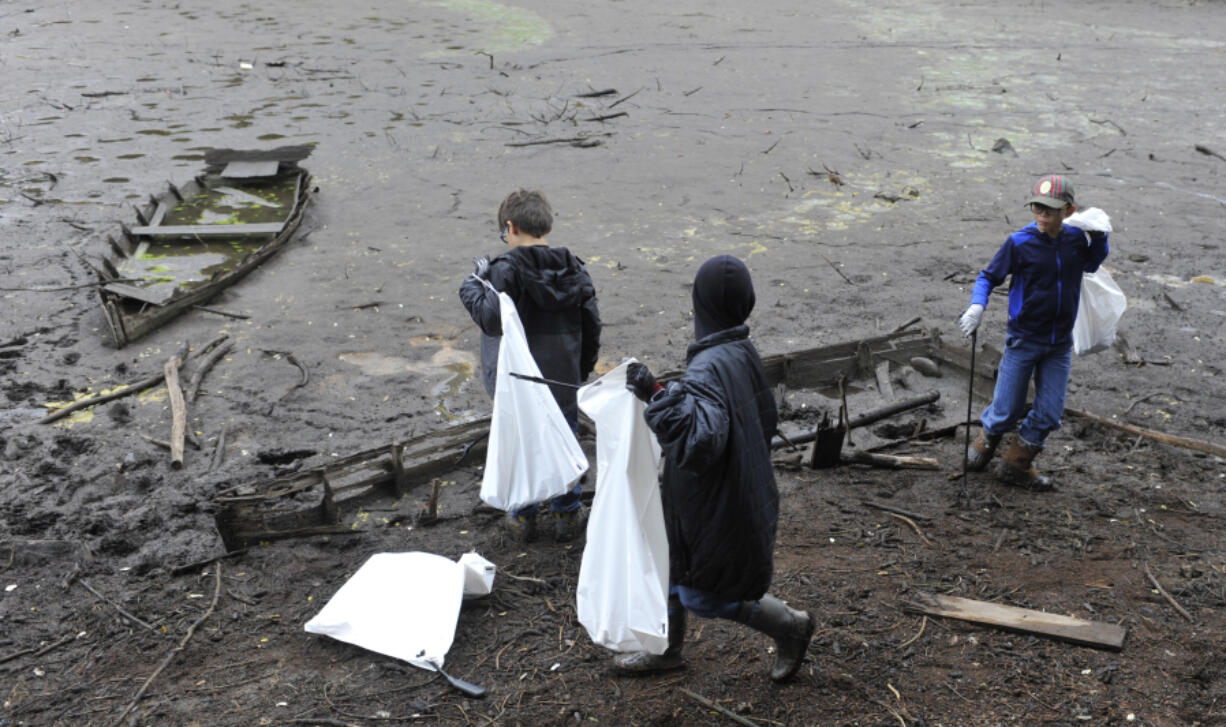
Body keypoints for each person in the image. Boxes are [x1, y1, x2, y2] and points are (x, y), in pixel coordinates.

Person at [615, 254, 815, 683]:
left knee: (703, 596)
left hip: (720, 503)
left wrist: (658, 396)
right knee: (670, 561)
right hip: (727, 492)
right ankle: (667, 649)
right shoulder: (739, 349)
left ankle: (791, 626)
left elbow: (700, 441)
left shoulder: (709, 363)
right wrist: (664, 392)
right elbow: (721, 416)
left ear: (701, 304)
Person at [458, 189, 601, 542]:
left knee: (521, 441)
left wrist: (473, 284)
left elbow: (492, 321)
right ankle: (567, 513)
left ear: (510, 227)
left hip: (518, 382)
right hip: (562, 377)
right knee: (564, 438)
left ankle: (522, 518)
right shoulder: (575, 268)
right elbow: (591, 323)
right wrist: (581, 369)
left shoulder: (504, 272)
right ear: (545, 226)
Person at [958, 175, 1109, 490]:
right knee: (1007, 409)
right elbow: (988, 277)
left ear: (1068, 211)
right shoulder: (1020, 242)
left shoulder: (1075, 241)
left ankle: (1016, 463)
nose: (1042, 216)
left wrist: (1100, 236)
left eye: (1050, 211)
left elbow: (1093, 264)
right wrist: (977, 306)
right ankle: (986, 441)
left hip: (1059, 343)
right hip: (1023, 339)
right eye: (1037, 209)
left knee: (1050, 412)